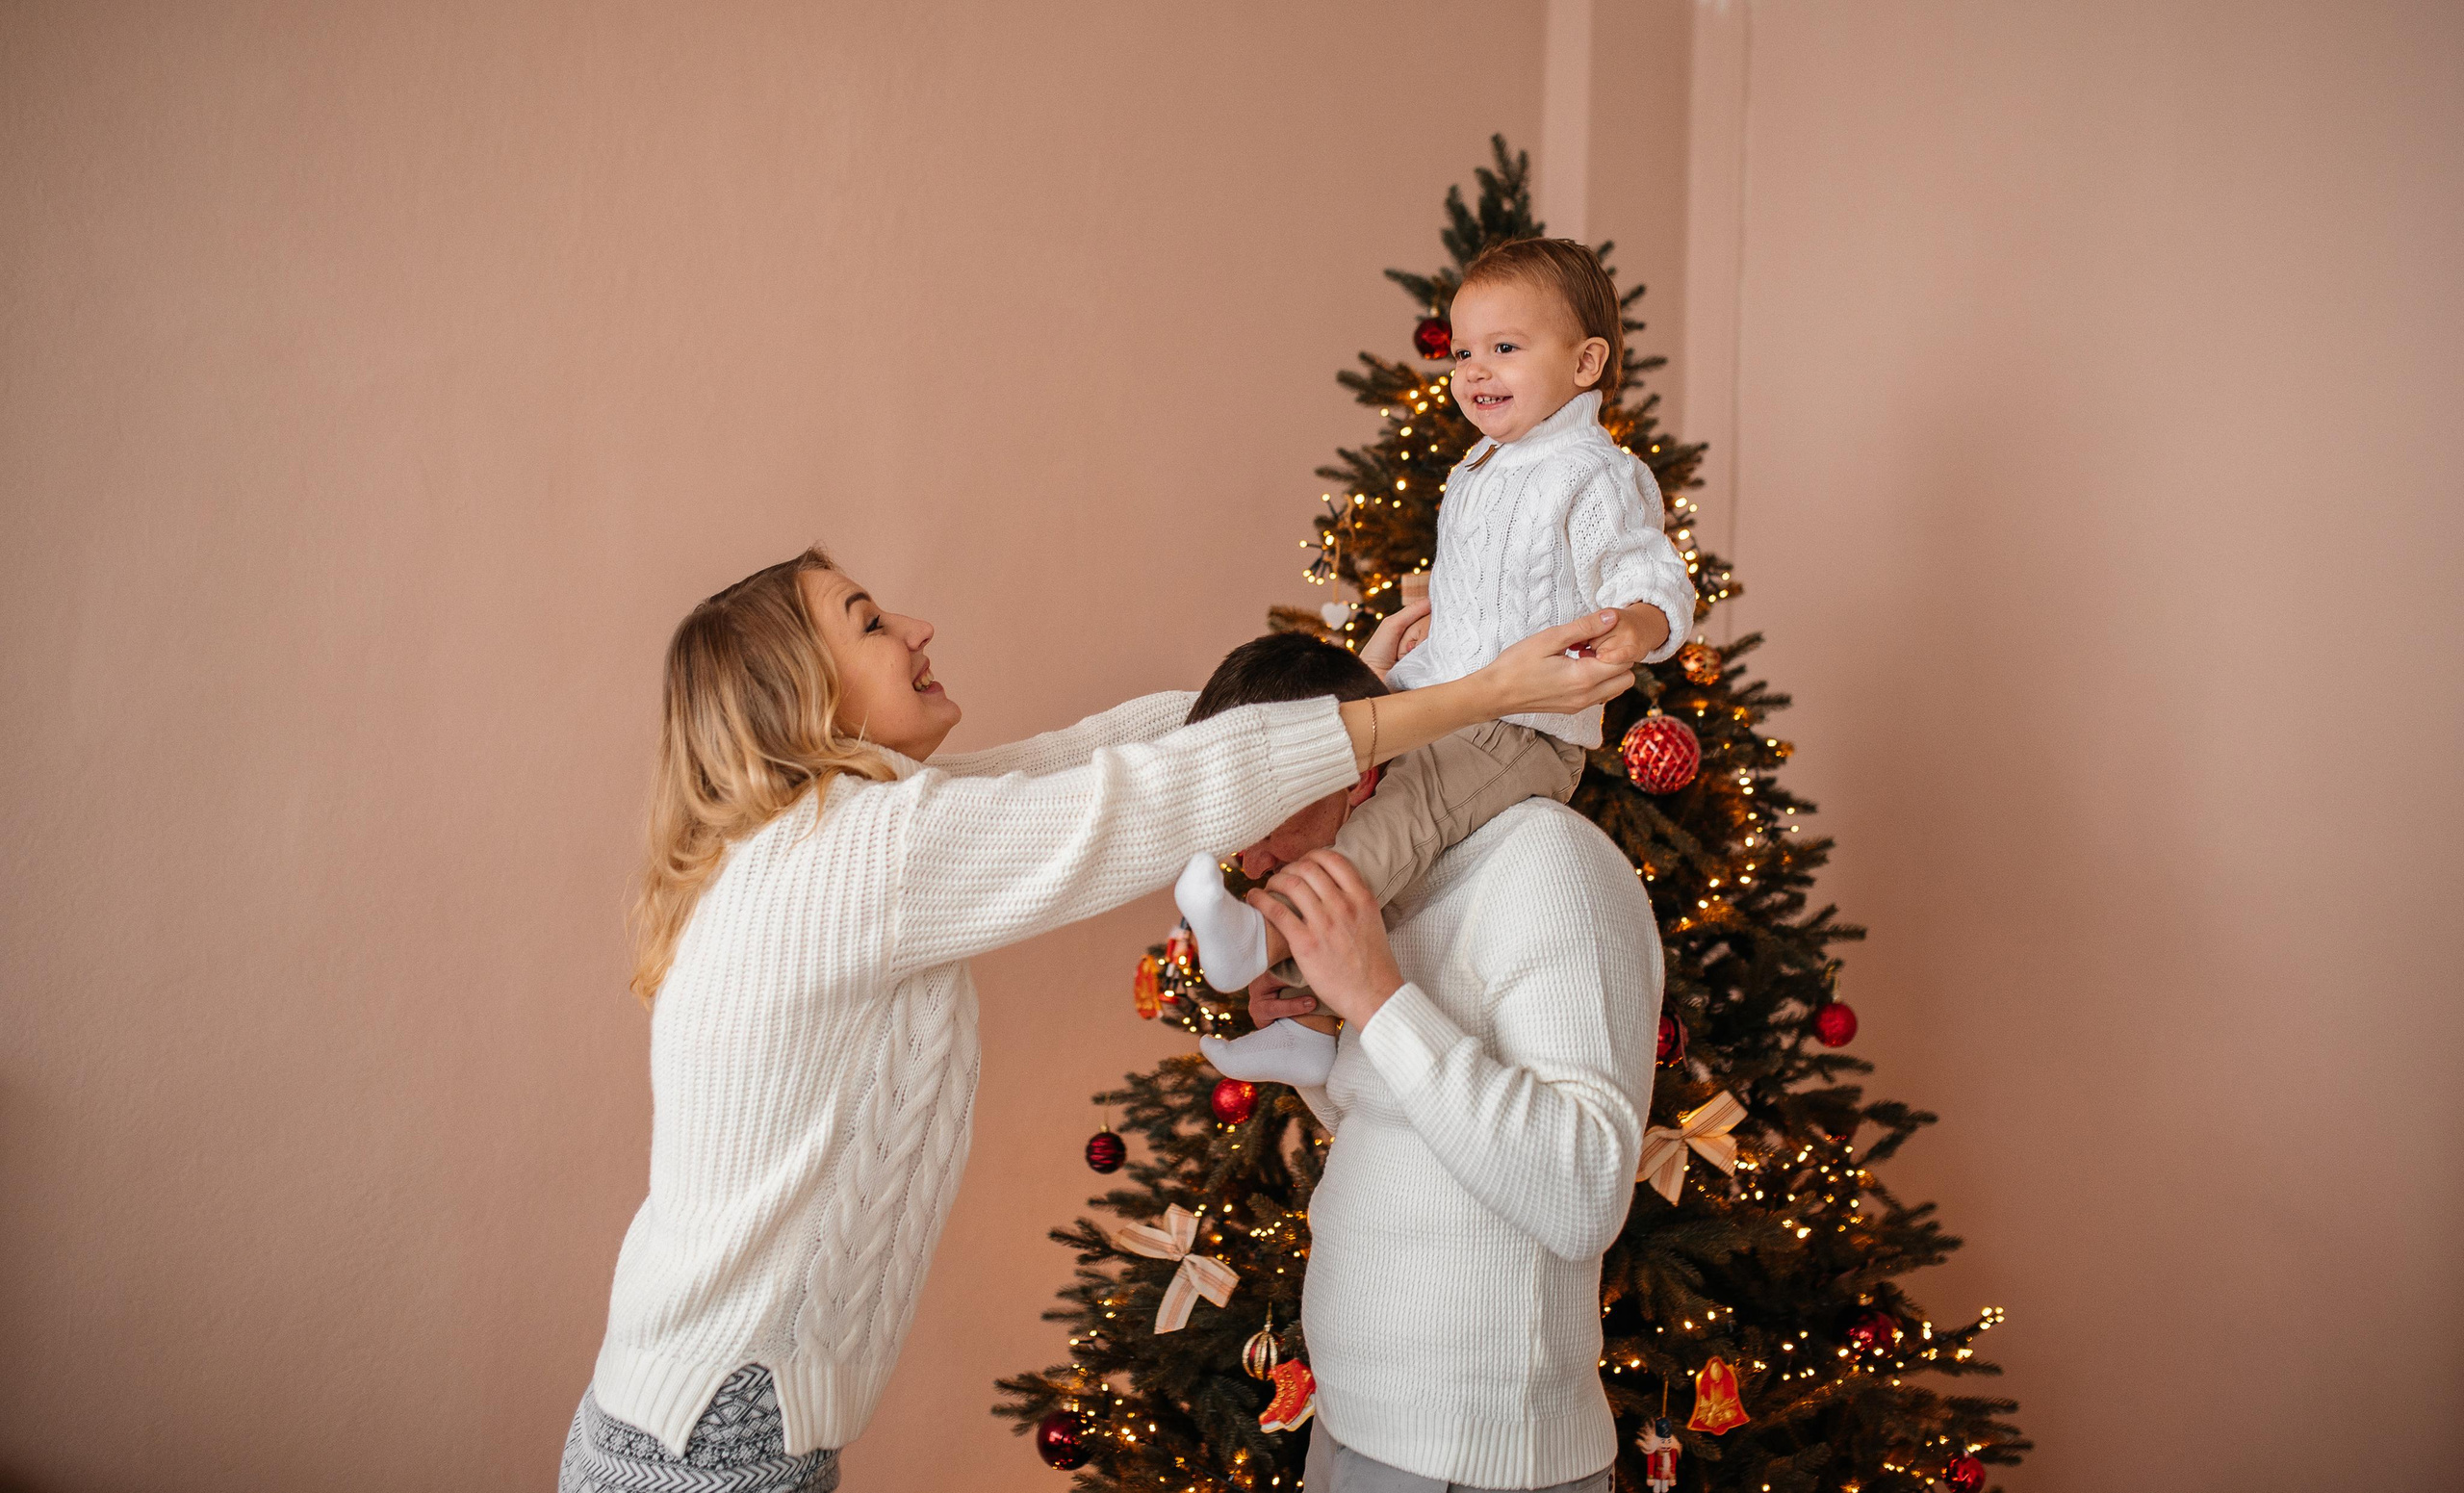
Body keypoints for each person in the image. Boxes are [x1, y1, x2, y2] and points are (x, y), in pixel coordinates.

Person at [557, 545, 1633, 1493]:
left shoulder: (836, 837)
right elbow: (1141, 798)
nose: (916, 628)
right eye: (871, 623)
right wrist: (1483, 691)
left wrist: (1348, 688)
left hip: (710, 1418)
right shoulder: (853, 859)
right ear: (800, 694)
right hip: (709, 1440)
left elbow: (1101, 756)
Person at [1180, 236, 1693, 1088]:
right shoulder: (1478, 468)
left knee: (1397, 820)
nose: (1474, 370)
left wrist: (1637, 625)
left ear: (1585, 362)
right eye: (1462, 351)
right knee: (1334, 789)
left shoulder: (1593, 473)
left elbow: (1650, 573)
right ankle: (1305, 1025)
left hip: (1521, 728)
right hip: (1446, 698)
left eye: (1505, 347)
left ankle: (1263, 933)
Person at [1184, 630, 1660, 1493]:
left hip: (1472, 1464)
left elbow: (1584, 1189)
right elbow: (1418, 1137)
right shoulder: (1392, 890)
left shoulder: (1550, 865)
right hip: (1357, 1425)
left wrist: (1376, 997)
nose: (1247, 860)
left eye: (1260, 814)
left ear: (1355, 771)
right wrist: (1324, 1059)